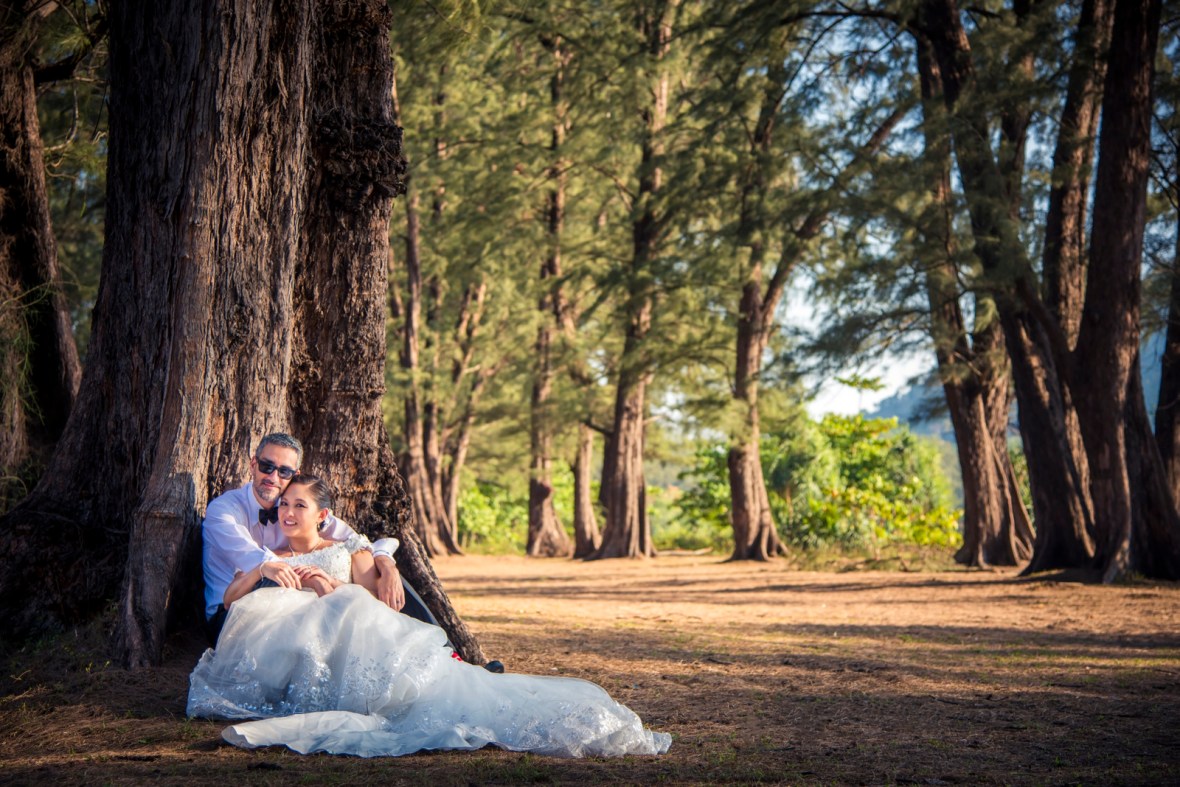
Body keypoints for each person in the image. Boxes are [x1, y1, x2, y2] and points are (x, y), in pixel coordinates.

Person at [187, 474, 672, 759]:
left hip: (351, 638)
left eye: (301, 505)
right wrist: (265, 569)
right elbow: (231, 599)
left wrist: (335, 584)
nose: (289, 513)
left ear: (322, 515)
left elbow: (375, 607)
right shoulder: (269, 552)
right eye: (285, 505)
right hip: (296, 648)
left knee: (349, 603)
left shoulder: (347, 548)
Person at [202, 433, 420, 643]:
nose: (273, 477)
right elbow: (260, 566)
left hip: (286, 605)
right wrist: (315, 581)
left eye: (284, 471)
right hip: (229, 613)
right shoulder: (224, 511)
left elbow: (355, 542)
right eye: (266, 466)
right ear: (253, 465)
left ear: (295, 475)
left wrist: (388, 565)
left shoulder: (293, 508)